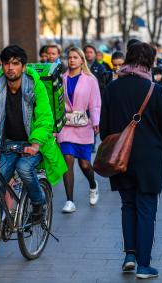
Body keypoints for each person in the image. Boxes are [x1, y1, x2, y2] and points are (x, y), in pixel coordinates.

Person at [100, 42, 162, 279]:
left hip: (119, 158)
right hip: (149, 159)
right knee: (146, 209)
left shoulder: (112, 88)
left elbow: (104, 129)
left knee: (128, 206)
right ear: (149, 62)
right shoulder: (153, 90)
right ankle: (144, 266)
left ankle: (129, 255)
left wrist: (115, 146)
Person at [0, 45, 67, 222]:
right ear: (2, 66)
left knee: (23, 168)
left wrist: (35, 144)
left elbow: (45, 118)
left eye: (16, 63)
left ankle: (39, 203)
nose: (11, 68)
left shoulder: (35, 87)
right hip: (8, 143)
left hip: (35, 144)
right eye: (7, 63)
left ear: (23, 67)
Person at [57, 47, 101, 213]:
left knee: (84, 164)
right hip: (66, 125)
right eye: (70, 57)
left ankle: (93, 184)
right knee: (67, 158)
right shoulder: (61, 79)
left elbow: (95, 103)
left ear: (82, 60)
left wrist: (96, 121)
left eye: (76, 57)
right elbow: (57, 104)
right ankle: (70, 201)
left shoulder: (90, 80)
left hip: (84, 126)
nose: (72, 60)